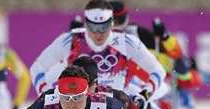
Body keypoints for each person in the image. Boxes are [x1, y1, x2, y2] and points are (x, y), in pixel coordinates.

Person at [30, 0, 165, 102]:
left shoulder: (126, 42)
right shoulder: (71, 40)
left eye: (104, 26)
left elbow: (158, 71)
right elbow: (37, 68)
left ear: (112, 22)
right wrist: (49, 97)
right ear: (86, 23)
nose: (99, 33)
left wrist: (144, 95)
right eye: (93, 27)